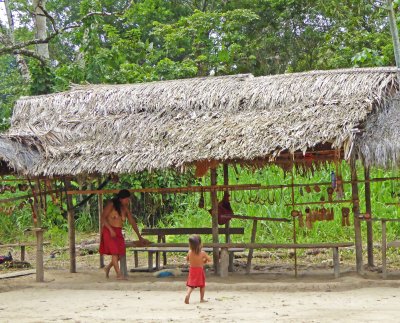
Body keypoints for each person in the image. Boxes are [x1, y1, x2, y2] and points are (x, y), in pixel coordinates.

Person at [99, 189, 149, 279]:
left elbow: (132, 222)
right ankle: (119, 274)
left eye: (128, 199)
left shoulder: (125, 209)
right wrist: (110, 230)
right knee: (114, 252)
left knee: (120, 253)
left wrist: (139, 237)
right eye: (127, 199)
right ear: (121, 199)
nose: (128, 201)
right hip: (108, 231)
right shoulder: (111, 205)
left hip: (118, 232)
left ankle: (107, 268)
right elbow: (103, 218)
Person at [185, 235, 211, 304]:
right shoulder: (202, 253)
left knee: (191, 285)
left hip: (192, 270)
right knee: (202, 285)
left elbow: (187, 259)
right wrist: (204, 261)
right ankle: (201, 299)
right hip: (199, 270)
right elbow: (209, 260)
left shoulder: (189, 252)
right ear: (200, 244)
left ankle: (188, 295)